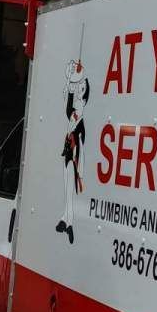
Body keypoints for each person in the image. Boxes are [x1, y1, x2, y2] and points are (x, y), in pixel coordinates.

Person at [56, 59, 88, 244]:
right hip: (70, 146)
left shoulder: (80, 109)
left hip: (74, 148)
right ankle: (67, 219)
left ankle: (70, 219)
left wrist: (71, 84)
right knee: (67, 184)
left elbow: (72, 114)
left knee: (71, 183)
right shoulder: (76, 107)